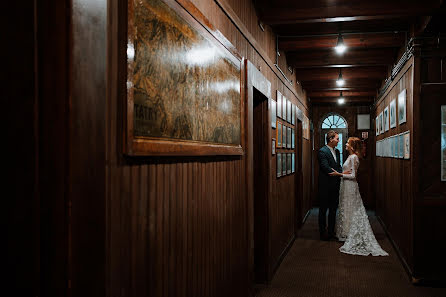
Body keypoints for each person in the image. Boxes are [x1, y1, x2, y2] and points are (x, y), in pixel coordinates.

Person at [329, 137, 388, 256]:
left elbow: (353, 176)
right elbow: (349, 172)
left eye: (347, 143)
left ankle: (351, 232)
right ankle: (346, 231)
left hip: (350, 186)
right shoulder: (350, 157)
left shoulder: (354, 157)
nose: (345, 144)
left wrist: (338, 174)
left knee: (351, 208)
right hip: (345, 185)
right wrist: (343, 173)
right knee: (346, 207)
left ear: (352, 146)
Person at [317, 130, 344, 241]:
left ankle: (331, 232)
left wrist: (339, 173)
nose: (339, 141)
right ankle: (323, 233)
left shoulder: (337, 151)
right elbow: (325, 167)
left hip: (336, 184)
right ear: (330, 139)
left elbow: (338, 166)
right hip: (325, 185)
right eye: (337, 139)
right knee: (323, 210)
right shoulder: (322, 151)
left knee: (333, 209)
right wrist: (337, 173)